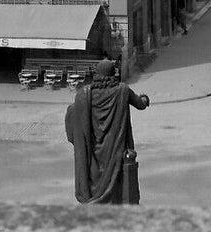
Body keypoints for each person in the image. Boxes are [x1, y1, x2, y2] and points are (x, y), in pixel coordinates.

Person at [64, 58, 150, 204]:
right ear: (112, 74)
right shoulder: (122, 91)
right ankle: (114, 200)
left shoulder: (84, 94)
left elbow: (72, 115)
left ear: (97, 74)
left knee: (94, 174)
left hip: (93, 149)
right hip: (115, 145)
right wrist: (145, 98)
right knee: (116, 174)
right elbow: (141, 104)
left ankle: (95, 199)